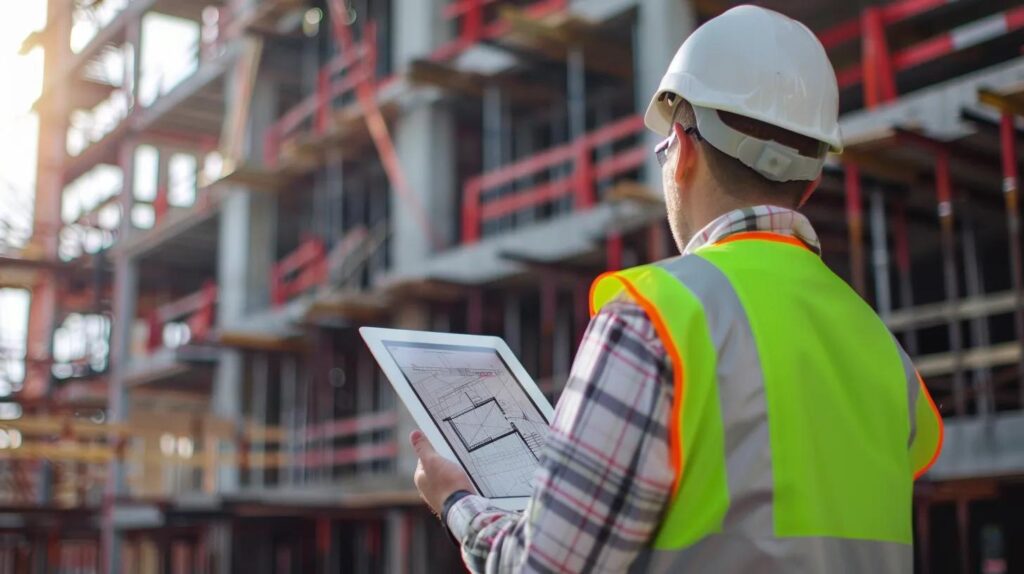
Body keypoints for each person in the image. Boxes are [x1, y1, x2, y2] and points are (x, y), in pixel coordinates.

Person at [409, 5, 944, 573]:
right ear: (810, 184)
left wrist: (458, 502)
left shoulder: (653, 319)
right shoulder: (884, 351)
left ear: (682, 152)